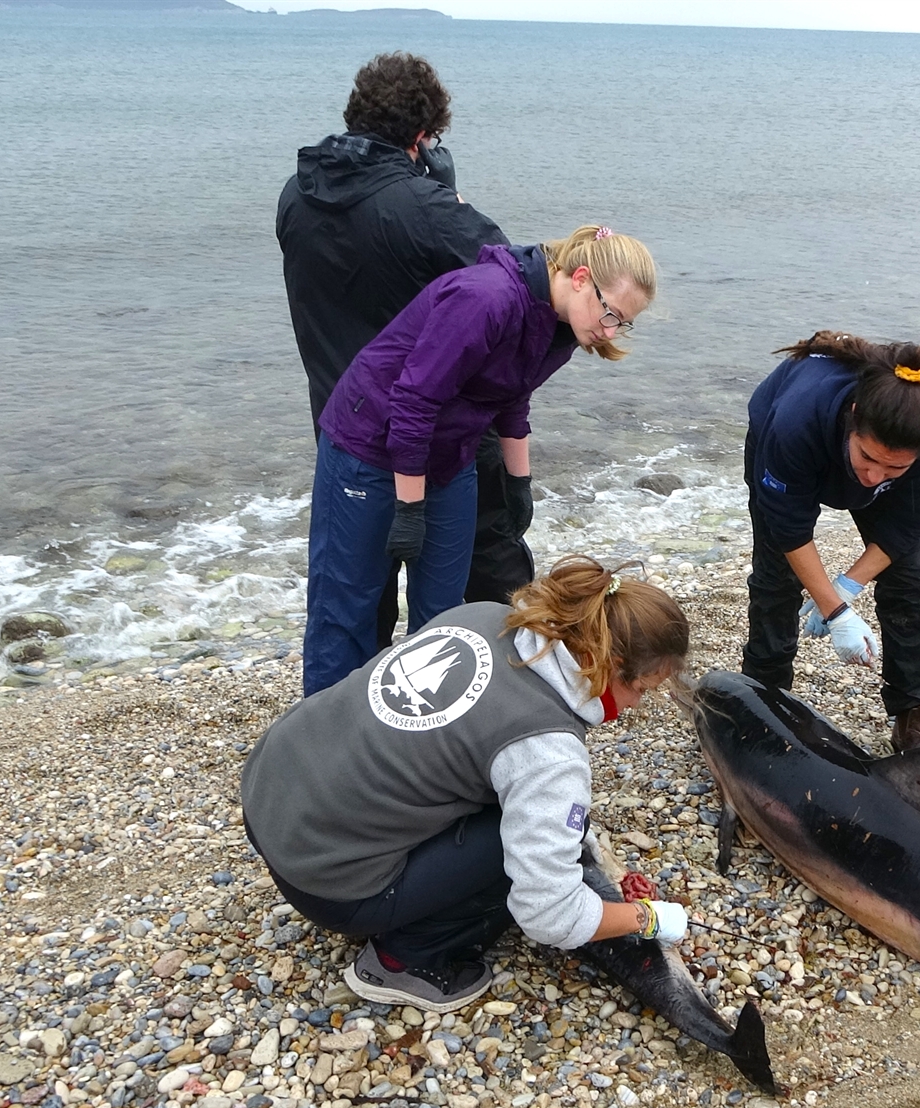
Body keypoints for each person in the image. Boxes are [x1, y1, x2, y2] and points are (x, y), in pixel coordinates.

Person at [241, 557, 694, 1012]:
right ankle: (406, 960)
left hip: (267, 799)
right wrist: (647, 918)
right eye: (643, 689)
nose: (637, 705)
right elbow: (550, 914)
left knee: (536, 811)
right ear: (609, 664)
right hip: (326, 882)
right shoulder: (548, 749)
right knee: (515, 845)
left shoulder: (485, 615)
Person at [302, 226, 657, 696]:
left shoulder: (564, 326)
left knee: (444, 612)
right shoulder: (485, 298)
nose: (609, 331)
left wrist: (518, 482)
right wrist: (410, 507)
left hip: (451, 457)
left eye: (622, 323)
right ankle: (326, 729)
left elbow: (513, 398)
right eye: (610, 313)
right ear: (580, 278)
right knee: (347, 609)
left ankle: (425, 725)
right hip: (368, 448)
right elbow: (413, 400)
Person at [276, 51, 532, 647]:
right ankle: (490, 694)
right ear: (422, 135)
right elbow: (512, 288)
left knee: (351, 599)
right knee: (482, 588)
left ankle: (352, 701)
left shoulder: (296, 193)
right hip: (443, 436)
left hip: (341, 426)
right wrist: (447, 195)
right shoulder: (428, 209)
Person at [741, 331, 920, 752]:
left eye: (894, 468)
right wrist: (836, 611)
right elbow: (788, 527)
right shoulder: (796, 421)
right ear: (854, 416)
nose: (874, 477)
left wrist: (846, 587)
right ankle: (765, 699)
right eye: (868, 457)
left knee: (911, 581)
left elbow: (904, 530)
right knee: (776, 579)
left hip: (869, 459)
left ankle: (912, 714)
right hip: (790, 441)